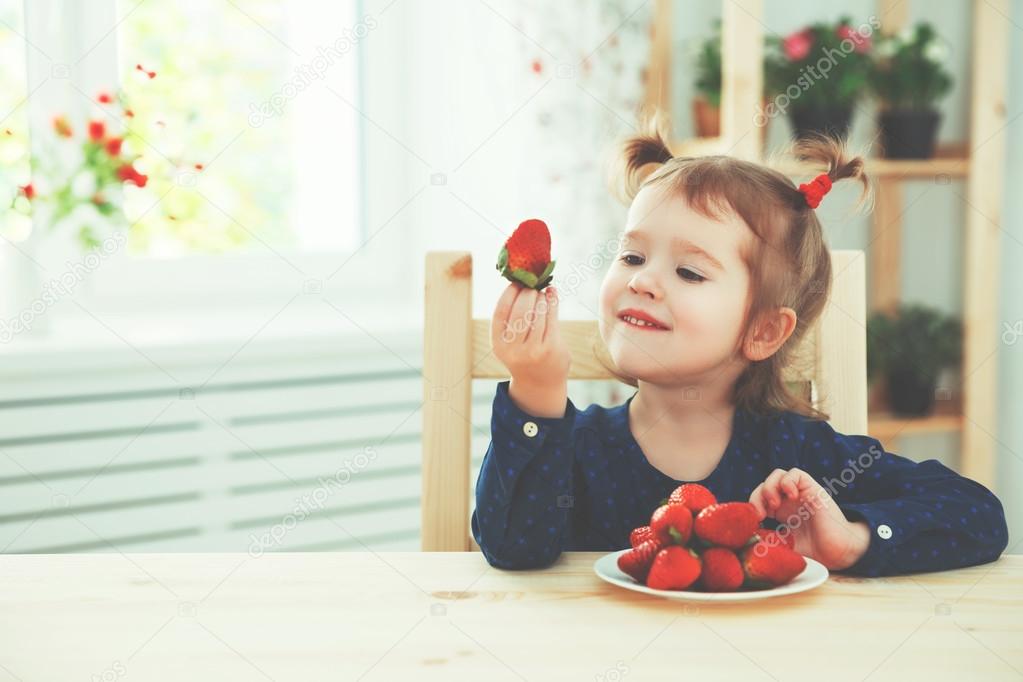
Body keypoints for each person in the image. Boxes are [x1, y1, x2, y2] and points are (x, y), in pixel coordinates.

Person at [471, 115, 1009, 577]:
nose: (642, 281)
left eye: (688, 271)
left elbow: (980, 514)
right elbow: (514, 549)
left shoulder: (803, 456)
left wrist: (851, 540)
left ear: (763, 332)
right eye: (632, 257)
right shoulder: (578, 447)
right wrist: (536, 391)